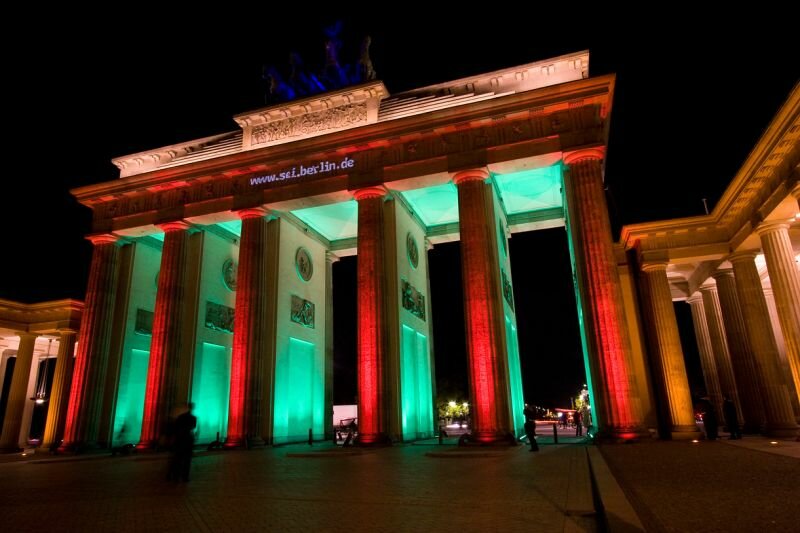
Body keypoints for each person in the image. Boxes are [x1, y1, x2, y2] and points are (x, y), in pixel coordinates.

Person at [168, 403, 197, 482]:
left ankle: (175, 476)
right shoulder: (193, 418)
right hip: (188, 439)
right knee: (187, 460)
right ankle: (185, 477)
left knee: (178, 459)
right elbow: (193, 427)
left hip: (180, 439)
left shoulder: (180, 417)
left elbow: (176, 427)